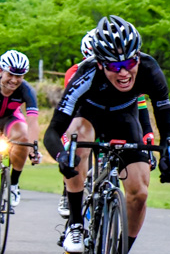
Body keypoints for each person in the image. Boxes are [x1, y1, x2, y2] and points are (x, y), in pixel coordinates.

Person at [44, 15, 170, 254]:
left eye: (129, 63)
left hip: (124, 118)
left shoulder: (150, 69)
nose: (124, 73)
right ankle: (78, 224)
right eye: (114, 67)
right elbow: (54, 131)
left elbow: (165, 122)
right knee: (77, 145)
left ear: (137, 57)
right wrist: (61, 156)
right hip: (88, 116)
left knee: (140, 193)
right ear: (100, 62)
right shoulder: (86, 73)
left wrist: (169, 153)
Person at [57, 31, 156, 218]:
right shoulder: (77, 72)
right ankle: (67, 193)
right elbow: (72, 109)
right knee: (74, 153)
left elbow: (140, 107)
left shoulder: (126, 75)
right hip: (86, 119)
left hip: (118, 121)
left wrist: (147, 135)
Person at [0, 50, 43, 207]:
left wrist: (34, 148)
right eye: (10, 74)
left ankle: (14, 185)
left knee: (24, 137)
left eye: (19, 76)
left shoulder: (27, 90)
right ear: (1, 71)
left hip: (11, 119)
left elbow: (32, 122)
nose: (14, 80)